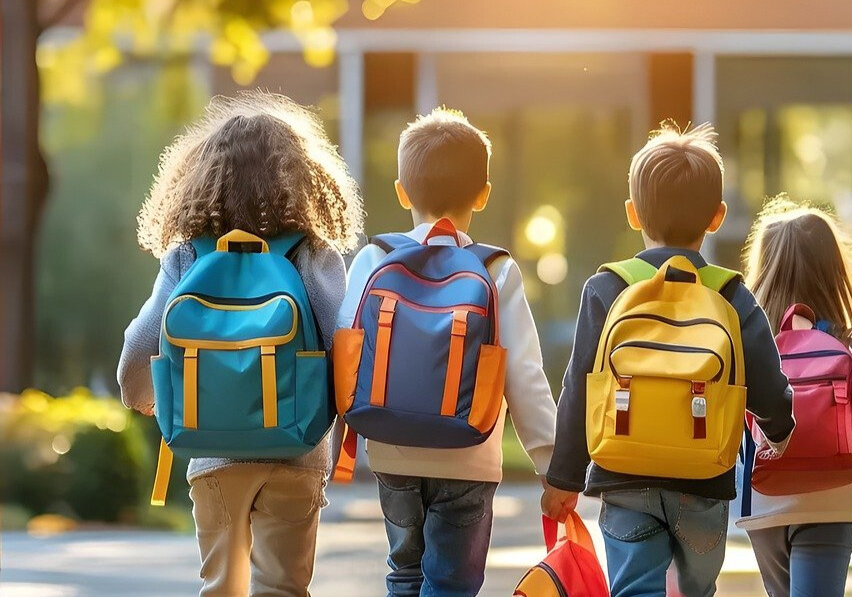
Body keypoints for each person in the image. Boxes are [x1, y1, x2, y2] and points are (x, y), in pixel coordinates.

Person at [118, 91, 363, 597]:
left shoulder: (188, 254)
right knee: (282, 586)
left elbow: (140, 345)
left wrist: (142, 397)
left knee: (221, 586)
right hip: (298, 449)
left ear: (202, 179)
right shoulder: (312, 253)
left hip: (211, 450)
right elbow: (344, 348)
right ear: (303, 179)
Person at [546, 123, 796, 597]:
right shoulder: (731, 294)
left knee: (635, 588)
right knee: (696, 590)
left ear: (633, 213)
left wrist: (564, 477)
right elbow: (764, 377)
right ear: (718, 217)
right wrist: (779, 428)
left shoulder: (606, 289)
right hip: (703, 478)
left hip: (622, 476)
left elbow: (578, 387)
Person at [335, 108, 576, 597]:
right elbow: (524, 373)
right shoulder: (496, 269)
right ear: (483, 195)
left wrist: (332, 453)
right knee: (452, 584)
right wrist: (553, 466)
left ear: (402, 191)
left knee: (403, 573)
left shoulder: (373, 258)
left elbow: (344, 356)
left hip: (391, 450)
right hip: (469, 456)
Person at [735, 196, 852, 597]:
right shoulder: (849, 342)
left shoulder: (748, 335)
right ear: (833, 270)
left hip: (763, 497)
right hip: (831, 496)